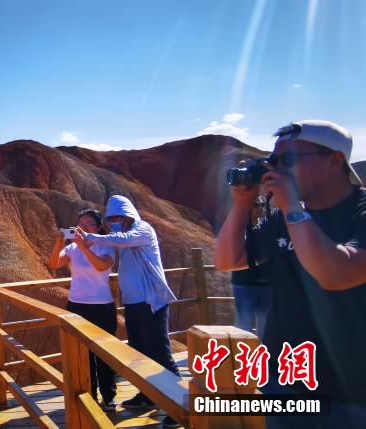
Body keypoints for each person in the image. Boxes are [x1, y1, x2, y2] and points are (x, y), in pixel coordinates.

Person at [215, 120, 366, 428]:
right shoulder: (285, 217)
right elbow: (229, 260)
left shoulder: (358, 212)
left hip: (351, 390)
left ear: (335, 161)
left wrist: (293, 208)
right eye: (273, 161)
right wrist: (242, 203)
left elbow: (336, 275)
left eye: (289, 160)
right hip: (285, 378)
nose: (278, 169)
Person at [77, 195, 180, 428]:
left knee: (160, 353)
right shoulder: (121, 235)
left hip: (151, 302)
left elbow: (123, 240)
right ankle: (147, 396)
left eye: (118, 218)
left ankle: (179, 404)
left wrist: (90, 237)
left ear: (128, 215)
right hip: (134, 303)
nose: (114, 222)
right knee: (141, 353)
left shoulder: (142, 229)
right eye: (111, 218)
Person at [48, 208, 118, 411]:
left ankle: (109, 396)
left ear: (98, 228)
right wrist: (59, 242)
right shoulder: (72, 249)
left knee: (104, 354)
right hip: (77, 305)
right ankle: (90, 396)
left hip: (102, 306)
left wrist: (84, 247)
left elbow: (101, 266)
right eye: (81, 225)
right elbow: (53, 263)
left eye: (89, 224)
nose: (83, 228)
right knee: (83, 355)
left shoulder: (105, 245)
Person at [231, 195, 271, 338]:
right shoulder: (240, 228)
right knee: (244, 325)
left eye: (262, 204)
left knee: (266, 326)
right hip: (244, 284)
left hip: (266, 284)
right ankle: (244, 358)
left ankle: (264, 357)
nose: (260, 208)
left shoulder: (269, 225)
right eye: (256, 205)